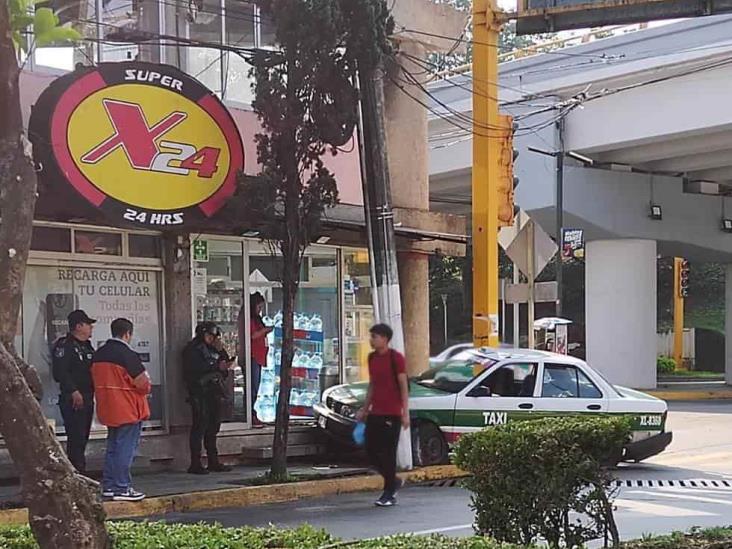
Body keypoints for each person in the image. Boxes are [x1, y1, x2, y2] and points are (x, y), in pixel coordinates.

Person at [92, 318, 151, 502]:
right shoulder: (127, 354)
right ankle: (122, 487)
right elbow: (143, 384)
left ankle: (109, 485)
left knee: (112, 447)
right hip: (128, 408)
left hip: (108, 407)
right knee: (125, 449)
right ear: (127, 334)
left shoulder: (98, 354)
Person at [356, 324, 410, 507]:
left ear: (385, 339)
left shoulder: (396, 358)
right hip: (375, 412)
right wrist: (364, 408)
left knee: (388, 454)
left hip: (392, 413)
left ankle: (389, 492)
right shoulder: (372, 358)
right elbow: (372, 385)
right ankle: (393, 479)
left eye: (375, 337)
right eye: (371, 336)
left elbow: (403, 386)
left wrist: (405, 413)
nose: (372, 340)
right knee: (370, 450)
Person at [183, 322, 235, 474]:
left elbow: (224, 364)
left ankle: (213, 461)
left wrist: (222, 352)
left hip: (214, 391)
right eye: (209, 336)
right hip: (199, 393)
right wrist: (215, 367)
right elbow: (194, 369)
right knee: (199, 427)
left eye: (214, 336)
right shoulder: (192, 350)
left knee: (213, 428)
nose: (212, 339)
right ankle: (195, 463)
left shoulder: (214, 349)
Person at [51, 309, 96, 473]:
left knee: (83, 436)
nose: (91, 328)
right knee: (76, 437)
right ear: (78, 326)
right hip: (73, 397)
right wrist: (73, 391)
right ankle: (77, 472)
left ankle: (80, 470)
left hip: (88, 395)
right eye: (88, 324)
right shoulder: (65, 345)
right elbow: (60, 372)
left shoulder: (87, 346)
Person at [247, 292, 273, 427]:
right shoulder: (250, 319)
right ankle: (250, 414)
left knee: (256, 387)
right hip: (253, 356)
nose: (260, 310)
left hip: (259, 356)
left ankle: (252, 413)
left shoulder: (257, 319)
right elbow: (253, 335)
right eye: (259, 307)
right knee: (253, 388)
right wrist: (265, 331)